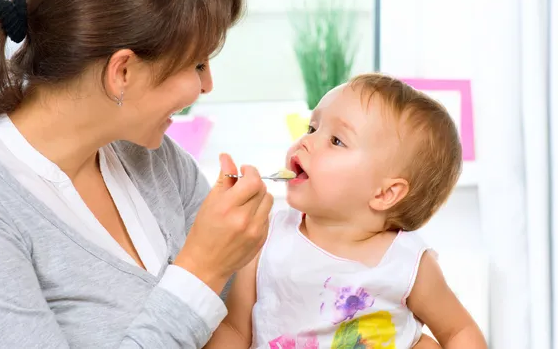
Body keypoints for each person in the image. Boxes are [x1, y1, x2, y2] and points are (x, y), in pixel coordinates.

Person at [0, 0, 274, 348]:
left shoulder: (153, 158)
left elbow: (236, 332)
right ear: (123, 71)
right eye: (197, 65)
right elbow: (209, 308)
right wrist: (202, 269)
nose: (207, 85)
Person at [205, 73, 488, 348]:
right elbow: (234, 330)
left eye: (336, 141)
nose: (306, 141)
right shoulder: (265, 239)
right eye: (312, 129)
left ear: (385, 193)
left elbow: (458, 330)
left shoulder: (408, 265)